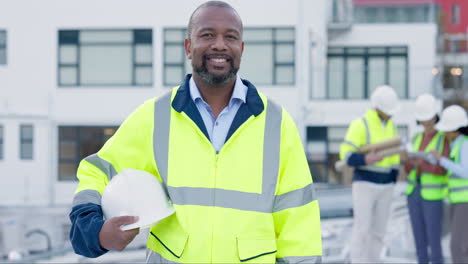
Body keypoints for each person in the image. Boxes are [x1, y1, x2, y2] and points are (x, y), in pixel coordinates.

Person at [68, 1, 322, 263]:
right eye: (207, 34)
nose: (220, 45)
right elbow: (97, 172)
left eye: (230, 37)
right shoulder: (155, 117)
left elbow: (298, 219)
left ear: (241, 49)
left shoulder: (277, 124)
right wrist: (94, 231)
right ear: (188, 47)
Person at [339, 85, 401, 263]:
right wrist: (365, 160)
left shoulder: (392, 127)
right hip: (365, 183)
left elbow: (394, 156)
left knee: (379, 232)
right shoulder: (361, 124)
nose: (391, 114)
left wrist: (393, 179)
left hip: (386, 185)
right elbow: (347, 155)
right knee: (362, 230)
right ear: (378, 108)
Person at [404, 94, 449, 264]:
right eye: (423, 120)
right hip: (414, 193)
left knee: (434, 242)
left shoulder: (442, 139)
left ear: (434, 118)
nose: (426, 124)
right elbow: (408, 169)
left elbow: (442, 169)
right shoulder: (416, 138)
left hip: (432, 197)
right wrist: (408, 161)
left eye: (428, 119)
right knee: (419, 242)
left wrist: (421, 163)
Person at [431, 105, 468, 264]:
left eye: (446, 130)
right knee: (462, 245)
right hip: (457, 200)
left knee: (457, 246)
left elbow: (466, 172)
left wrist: (442, 160)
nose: (444, 133)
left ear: (455, 129)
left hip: (464, 201)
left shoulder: (465, 145)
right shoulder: (455, 144)